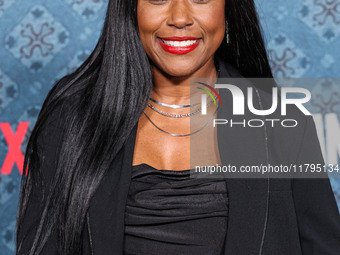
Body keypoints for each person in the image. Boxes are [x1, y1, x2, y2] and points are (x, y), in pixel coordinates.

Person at [16, 0, 340, 254]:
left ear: (228, 7)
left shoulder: (284, 125)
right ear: (131, 9)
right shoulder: (71, 120)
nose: (180, 17)